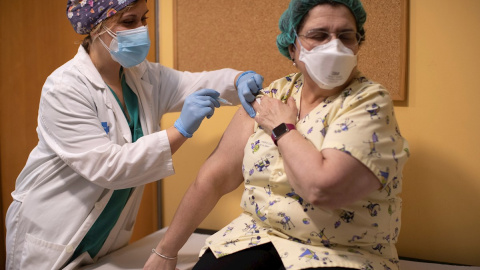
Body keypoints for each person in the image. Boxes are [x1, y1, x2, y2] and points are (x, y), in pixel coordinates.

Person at [144, 0, 409, 269]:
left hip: (339, 252)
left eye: (345, 36)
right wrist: (165, 252)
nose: (334, 46)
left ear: (358, 43)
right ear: (293, 47)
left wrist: (283, 129)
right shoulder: (274, 94)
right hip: (256, 238)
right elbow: (213, 178)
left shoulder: (369, 102)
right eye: (318, 35)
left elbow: (321, 189)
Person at [4, 0, 264, 269]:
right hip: (51, 231)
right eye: (129, 22)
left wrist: (237, 80)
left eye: (144, 19)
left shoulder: (141, 77)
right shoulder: (65, 88)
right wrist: (180, 131)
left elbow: (195, 83)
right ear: (95, 27)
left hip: (102, 238)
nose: (141, 29)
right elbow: (109, 167)